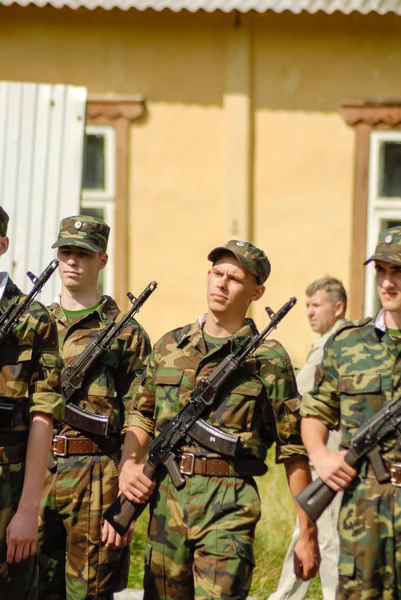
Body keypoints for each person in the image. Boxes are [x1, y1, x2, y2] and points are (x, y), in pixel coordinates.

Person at [118, 239, 320, 600]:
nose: (221, 283)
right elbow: (140, 415)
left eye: (234, 278)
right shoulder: (169, 346)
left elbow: (293, 449)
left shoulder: (268, 359)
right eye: (216, 273)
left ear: (257, 291)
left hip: (229, 510)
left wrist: (306, 532)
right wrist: (128, 467)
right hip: (167, 506)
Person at [37, 215, 151, 600]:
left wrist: (126, 498)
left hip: (97, 477)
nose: (73, 261)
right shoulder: (36, 324)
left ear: (102, 260)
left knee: (89, 590)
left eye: (83, 254)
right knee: (26, 585)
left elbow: (141, 413)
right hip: (34, 473)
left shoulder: (126, 332)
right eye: (66, 252)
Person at [301, 225, 401, 599]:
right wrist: (321, 456)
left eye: (398, 273)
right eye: (382, 272)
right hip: (363, 512)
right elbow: (314, 413)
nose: (387, 283)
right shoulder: (347, 343)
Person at [269, 276, 347, 600]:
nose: (310, 312)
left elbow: (309, 400)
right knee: (307, 534)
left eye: (317, 305)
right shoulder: (324, 344)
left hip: (329, 460)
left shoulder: (339, 345)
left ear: (338, 307)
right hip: (315, 460)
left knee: (326, 540)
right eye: (308, 305)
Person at [0, 206, 63, 599]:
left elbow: (43, 417)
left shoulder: (33, 320)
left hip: (8, 492)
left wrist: (27, 511)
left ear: (2, 244)